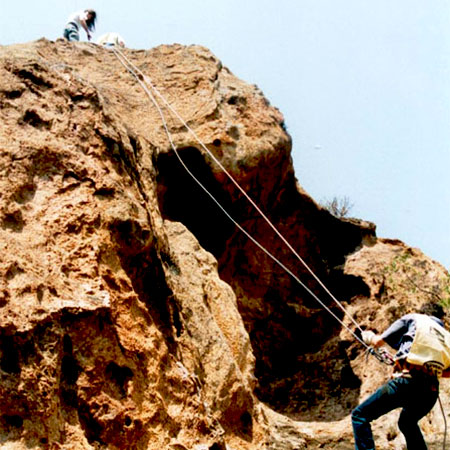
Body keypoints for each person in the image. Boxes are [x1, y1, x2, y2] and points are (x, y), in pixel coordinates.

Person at [352, 302, 450, 450]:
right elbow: (448, 372)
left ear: (422, 312)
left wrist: (369, 336)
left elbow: (378, 342)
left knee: (360, 416)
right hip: (430, 392)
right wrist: (428, 367)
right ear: (441, 318)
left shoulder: (414, 319)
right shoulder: (447, 336)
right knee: (407, 422)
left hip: (407, 382)